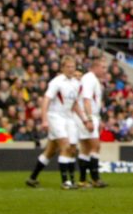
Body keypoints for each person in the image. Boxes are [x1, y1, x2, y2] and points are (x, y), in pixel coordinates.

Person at [26, 56, 91, 189]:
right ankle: (66, 182)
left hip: (68, 117)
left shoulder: (77, 84)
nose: (71, 69)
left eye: (73, 67)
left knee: (60, 149)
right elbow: (46, 100)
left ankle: (33, 178)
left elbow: (75, 105)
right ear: (62, 68)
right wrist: (44, 120)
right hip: (55, 116)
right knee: (65, 146)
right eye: (68, 67)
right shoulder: (56, 82)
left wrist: (85, 119)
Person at [76, 56, 108, 188]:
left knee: (85, 148)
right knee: (95, 146)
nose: (105, 70)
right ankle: (95, 178)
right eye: (103, 67)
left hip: (87, 116)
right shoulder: (90, 79)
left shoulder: (91, 79)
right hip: (87, 116)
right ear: (95, 67)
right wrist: (89, 119)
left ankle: (83, 180)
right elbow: (87, 99)